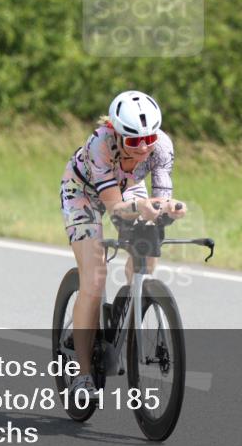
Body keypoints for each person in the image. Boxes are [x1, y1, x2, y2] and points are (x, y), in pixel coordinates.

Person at [59, 90, 185, 399]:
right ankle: (84, 375)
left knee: (148, 252)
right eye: (133, 141)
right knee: (94, 277)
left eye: (149, 139)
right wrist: (142, 209)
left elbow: (160, 198)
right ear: (117, 133)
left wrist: (167, 209)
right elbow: (114, 206)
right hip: (83, 192)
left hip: (129, 188)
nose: (143, 148)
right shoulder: (99, 144)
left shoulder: (161, 147)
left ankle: (132, 303)